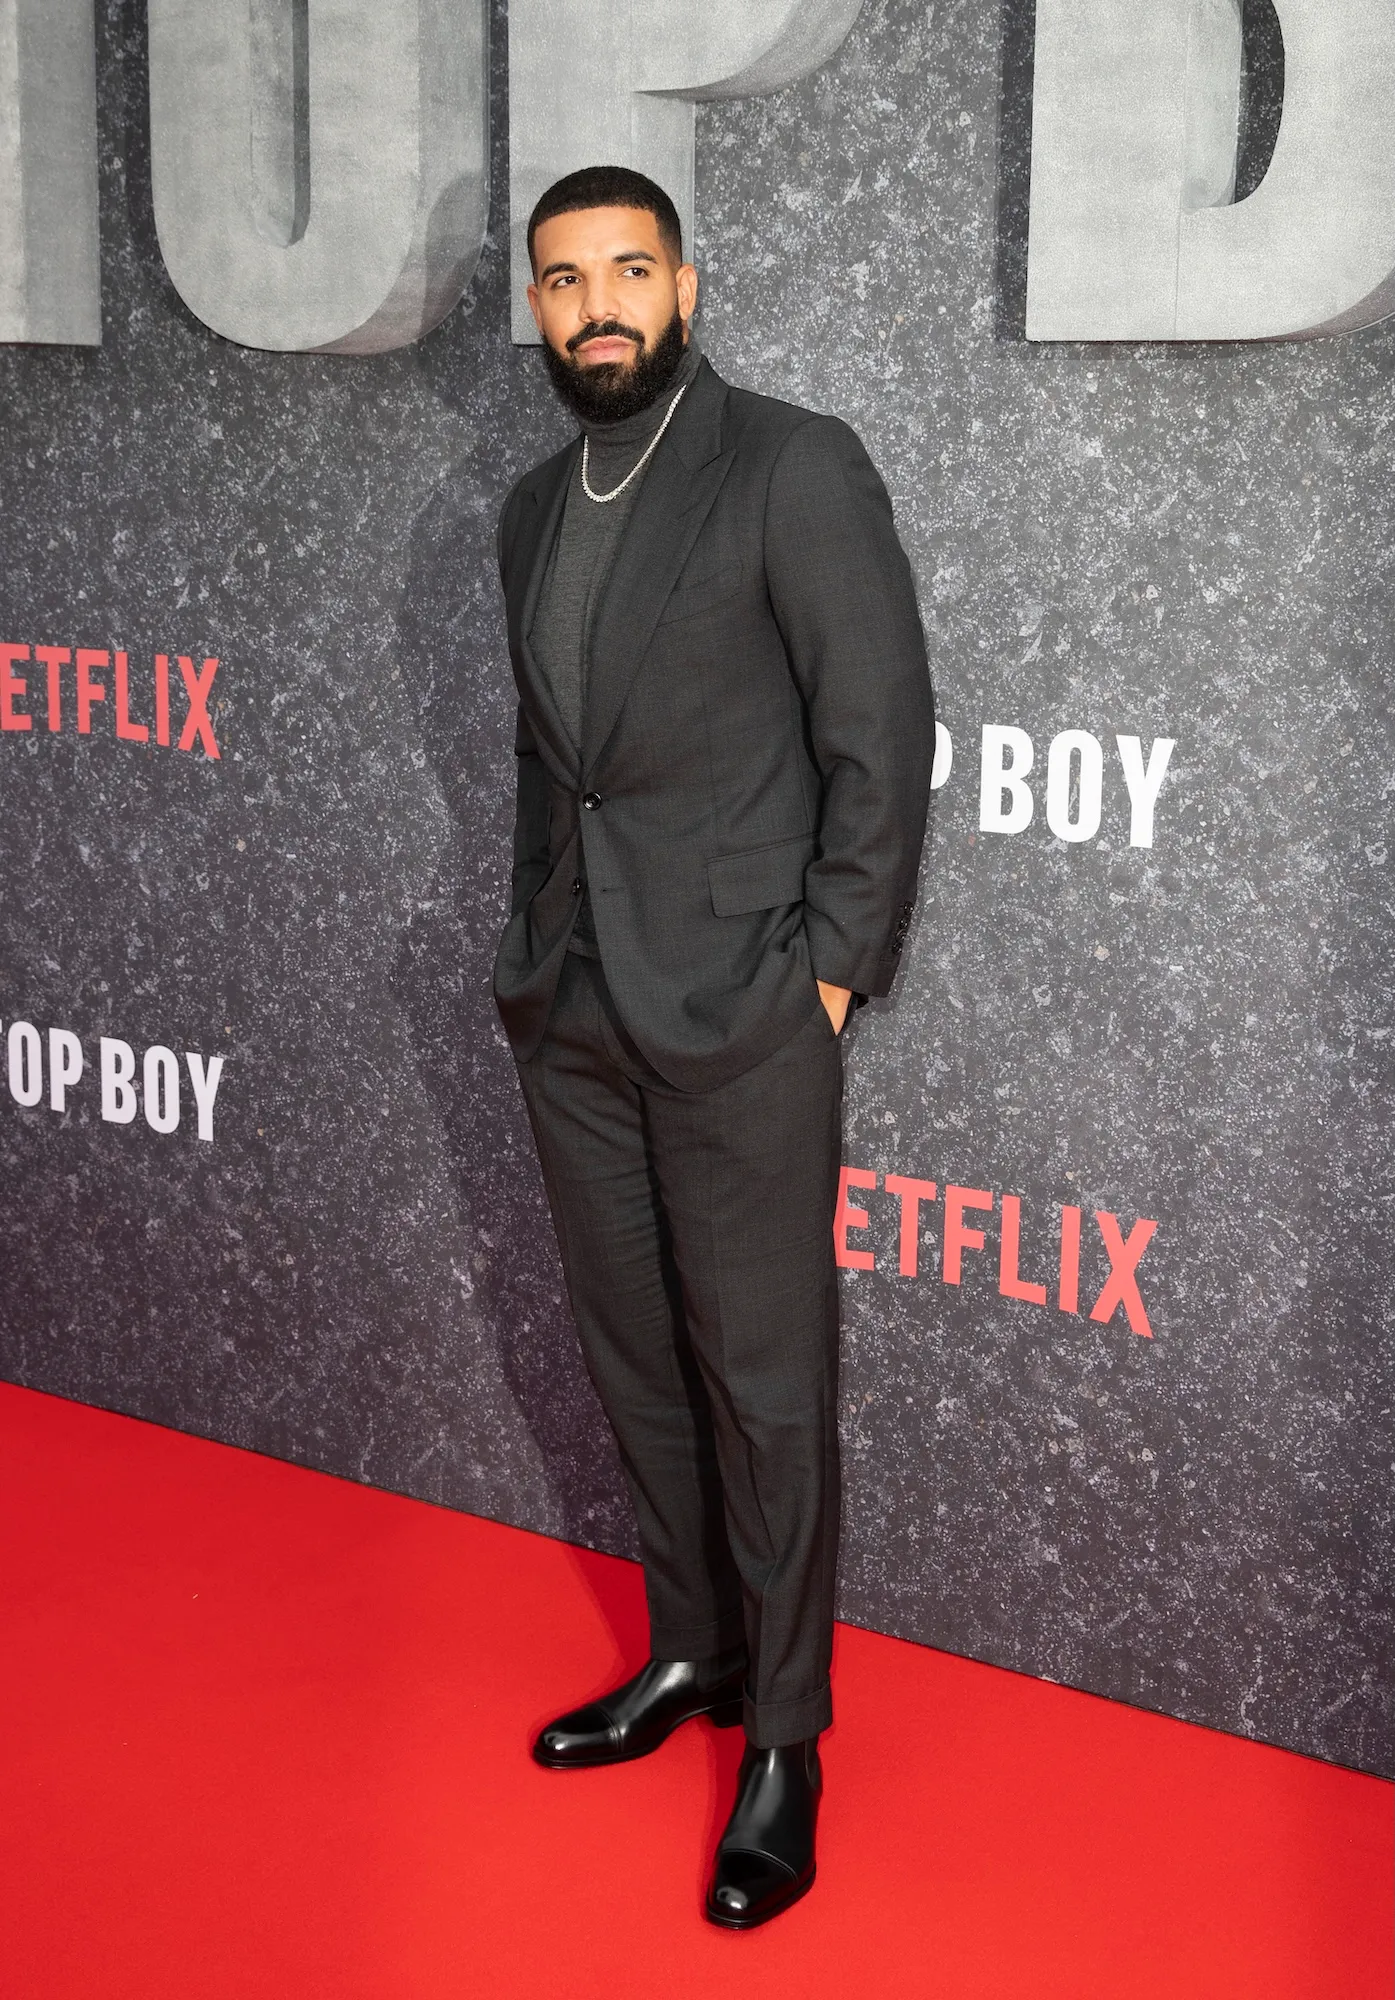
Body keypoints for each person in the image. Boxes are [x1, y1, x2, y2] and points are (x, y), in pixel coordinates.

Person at [493, 163, 934, 1929]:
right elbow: (555, 760)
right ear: (534, 306)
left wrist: (826, 972)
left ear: (686, 284)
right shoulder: (530, 504)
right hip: (576, 1008)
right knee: (638, 1364)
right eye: (561, 280)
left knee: (762, 1383)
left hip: (744, 1006)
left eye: (627, 271)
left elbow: (880, 732)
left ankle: (789, 1741)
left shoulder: (788, 464)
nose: (595, 304)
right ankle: (693, 1654)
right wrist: (533, 948)